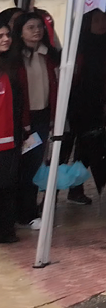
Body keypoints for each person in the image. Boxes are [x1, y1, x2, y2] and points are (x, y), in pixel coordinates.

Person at [68, 8, 106, 204]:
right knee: (64, 149)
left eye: (104, 20)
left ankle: (76, 189)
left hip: (98, 105)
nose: (101, 24)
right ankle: (50, 194)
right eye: (96, 20)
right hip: (74, 104)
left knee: (85, 149)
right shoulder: (78, 45)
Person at [9, 12, 58, 223]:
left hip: (42, 117)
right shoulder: (14, 58)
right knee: (18, 168)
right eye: (31, 27)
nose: (37, 30)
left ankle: (27, 213)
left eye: (39, 26)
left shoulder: (49, 55)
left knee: (34, 167)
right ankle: (18, 213)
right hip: (20, 120)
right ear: (19, 32)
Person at [0, 25, 22, 241]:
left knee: (7, 186)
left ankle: (6, 231)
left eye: (8, 35)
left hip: (9, 139)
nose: (6, 39)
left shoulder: (11, 67)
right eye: (0, 36)